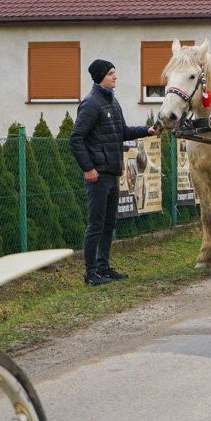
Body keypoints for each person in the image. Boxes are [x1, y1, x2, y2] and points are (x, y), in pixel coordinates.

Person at [71, 59, 160, 286]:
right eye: (111, 73)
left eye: (114, 73)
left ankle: (103, 267)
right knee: (95, 225)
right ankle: (90, 273)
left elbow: (121, 131)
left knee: (109, 224)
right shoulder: (91, 104)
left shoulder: (112, 100)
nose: (115, 77)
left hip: (112, 173)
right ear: (101, 77)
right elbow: (76, 139)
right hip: (98, 175)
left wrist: (147, 131)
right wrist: (88, 168)